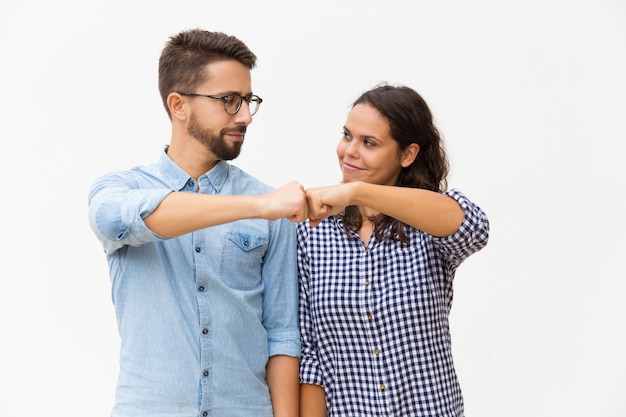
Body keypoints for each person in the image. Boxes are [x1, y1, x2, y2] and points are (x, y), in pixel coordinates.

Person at [88, 29, 306, 417]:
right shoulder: (119, 189)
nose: (245, 117)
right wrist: (256, 206)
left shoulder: (272, 210)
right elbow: (130, 219)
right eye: (229, 101)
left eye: (248, 100)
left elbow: (283, 336)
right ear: (178, 105)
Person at [297, 84, 490, 416]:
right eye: (347, 136)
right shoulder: (311, 232)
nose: (349, 151)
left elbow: (473, 228)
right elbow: (309, 353)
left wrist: (358, 191)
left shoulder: (427, 223)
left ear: (407, 154)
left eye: (369, 143)